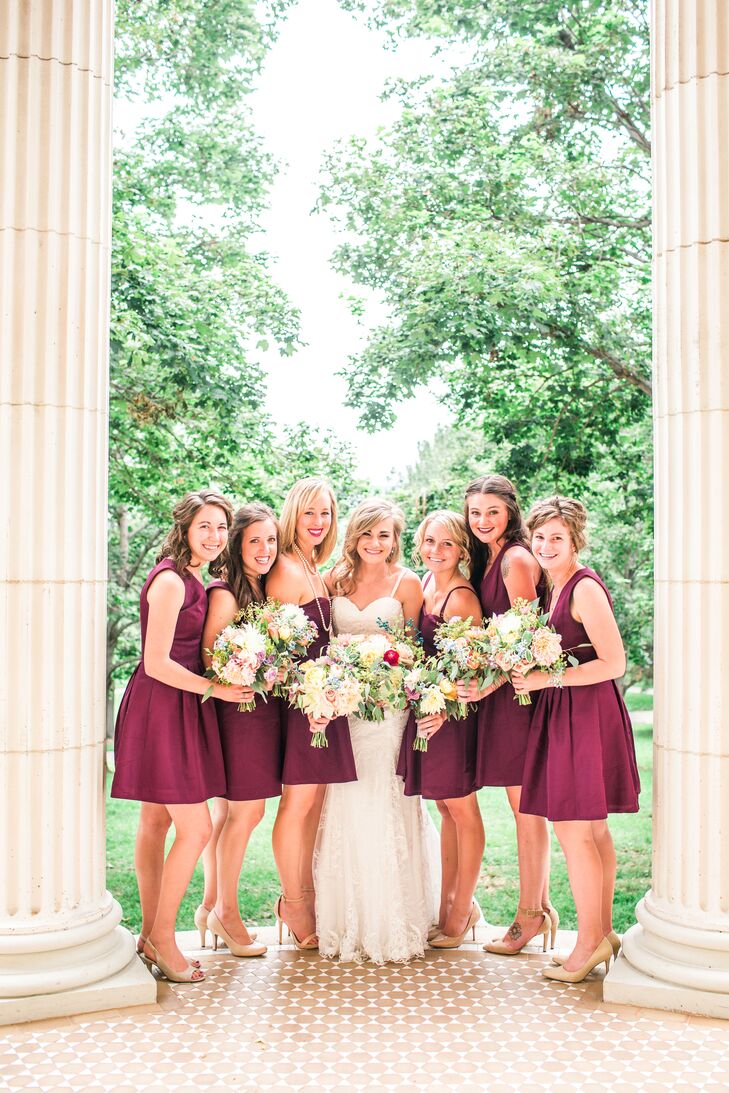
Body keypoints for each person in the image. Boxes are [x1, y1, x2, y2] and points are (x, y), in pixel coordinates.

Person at [111, 490, 246, 983]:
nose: (213, 536)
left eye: (219, 528)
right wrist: (219, 689)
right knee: (197, 828)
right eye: (204, 526)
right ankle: (163, 937)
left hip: (178, 702)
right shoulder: (170, 580)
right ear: (186, 529)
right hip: (162, 703)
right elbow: (156, 661)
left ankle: (150, 933)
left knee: (156, 822)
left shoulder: (197, 579)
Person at [514, 496, 640, 983]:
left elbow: (615, 663)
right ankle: (602, 933)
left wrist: (548, 681)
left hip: (584, 716)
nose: (546, 546)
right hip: (572, 712)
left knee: (574, 830)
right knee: (592, 832)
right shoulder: (555, 585)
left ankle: (588, 942)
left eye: (557, 538)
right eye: (540, 537)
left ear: (575, 540)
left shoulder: (583, 588)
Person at [314, 499, 440, 963]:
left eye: (384, 535)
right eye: (367, 534)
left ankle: (396, 918)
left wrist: (393, 670)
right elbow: (322, 644)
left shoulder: (408, 583)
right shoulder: (334, 580)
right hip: (345, 711)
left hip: (388, 714)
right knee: (346, 803)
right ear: (354, 536)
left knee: (388, 801)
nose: (375, 543)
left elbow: (415, 650)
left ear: (395, 539)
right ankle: (346, 918)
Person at [459, 475, 557, 955]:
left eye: (491, 512)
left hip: (517, 699)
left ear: (511, 512)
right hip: (500, 698)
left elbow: (528, 640)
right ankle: (540, 904)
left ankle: (529, 915)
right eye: (474, 513)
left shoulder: (516, 559)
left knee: (526, 812)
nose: (481, 521)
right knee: (521, 809)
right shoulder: (491, 558)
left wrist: (489, 686)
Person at [266, 477, 357, 950]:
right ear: (293, 514)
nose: (319, 522)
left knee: (316, 806)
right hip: (302, 701)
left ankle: (307, 892)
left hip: (325, 698)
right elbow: (276, 649)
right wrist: (310, 698)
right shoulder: (284, 568)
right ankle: (293, 900)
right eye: (309, 513)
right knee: (297, 804)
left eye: (326, 513)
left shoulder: (314, 566)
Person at [197, 503, 282, 959]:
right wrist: (251, 677)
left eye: (271, 540)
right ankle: (227, 913)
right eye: (255, 541)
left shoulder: (257, 589)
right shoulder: (228, 593)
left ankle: (211, 902)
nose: (265, 549)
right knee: (246, 814)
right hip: (240, 714)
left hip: (253, 711)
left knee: (230, 814)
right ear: (237, 545)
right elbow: (211, 656)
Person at [397, 510, 485, 948]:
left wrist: (444, 710)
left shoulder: (462, 597)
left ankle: (461, 910)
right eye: (430, 541)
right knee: (447, 811)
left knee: (463, 811)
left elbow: (474, 668)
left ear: (461, 549)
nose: (436, 551)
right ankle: (449, 903)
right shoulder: (428, 585)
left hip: (451, 718)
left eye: (447, 543)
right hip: (427, 712)